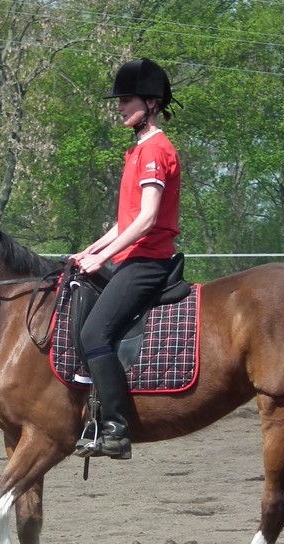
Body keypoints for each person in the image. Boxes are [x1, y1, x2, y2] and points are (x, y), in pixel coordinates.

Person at [72, 58, 181, 460]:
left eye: (126, 100)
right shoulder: (137, 151)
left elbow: (148, 219)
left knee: (94, 335)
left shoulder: (155, 151)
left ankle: (116, 429)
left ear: (151, 103)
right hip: (130, 257)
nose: (118, 107)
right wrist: (91, 250)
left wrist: (105, 257)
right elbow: (126, 220)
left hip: (147, 262)